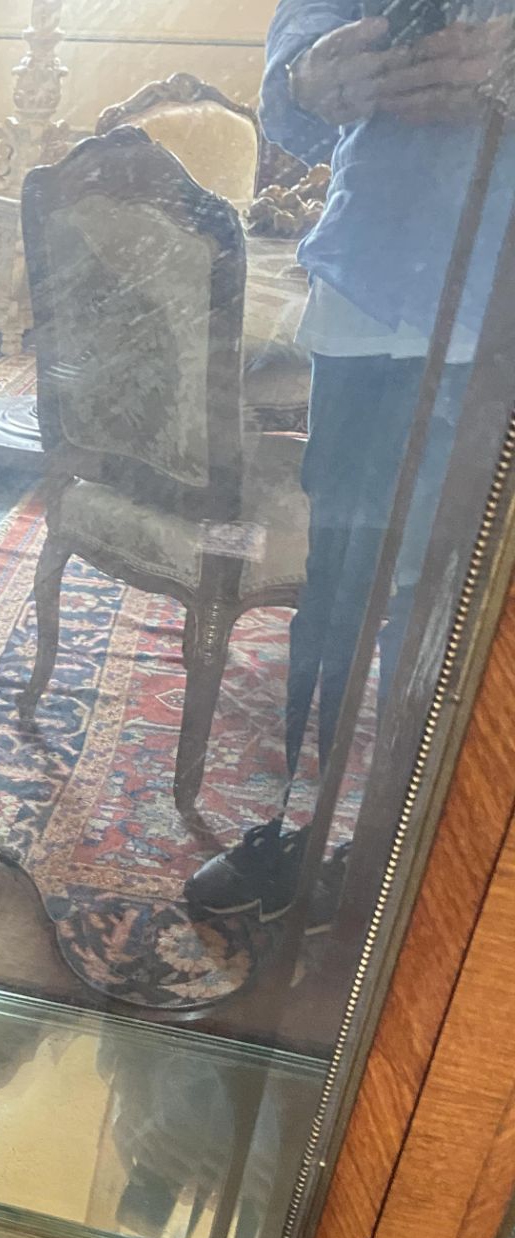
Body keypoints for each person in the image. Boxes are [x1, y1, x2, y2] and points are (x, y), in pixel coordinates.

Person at [185, 2, 515, 924]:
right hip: (377, 278)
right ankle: (315, 827)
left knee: (458, 623)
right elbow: (294, 77)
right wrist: (308, 76)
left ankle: (423, 868)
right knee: (342, 591)